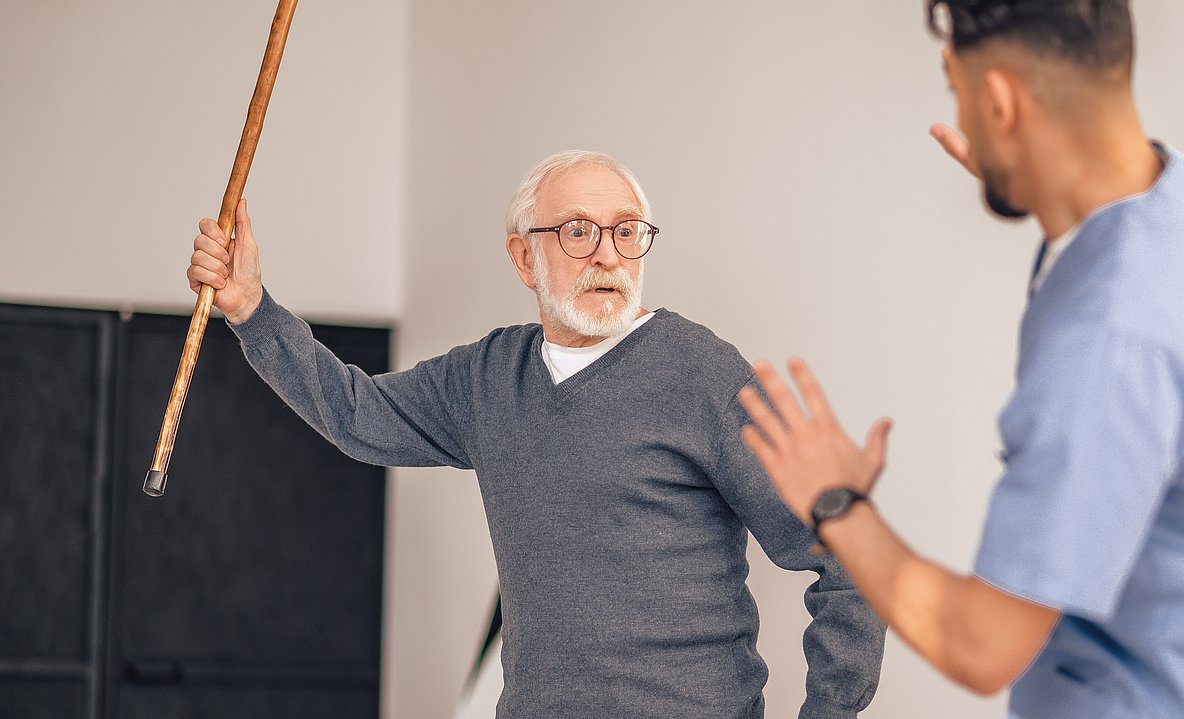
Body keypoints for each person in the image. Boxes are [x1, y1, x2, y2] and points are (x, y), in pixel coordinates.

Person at [737, 1, 1184, 717]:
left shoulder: (1115, 334)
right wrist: (1028, 166)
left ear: (1002, 104)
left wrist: (837, 505)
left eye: (961, 95)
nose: (964, 118)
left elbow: (981, 642)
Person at [185, 150, 885, 718]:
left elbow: (849, 556)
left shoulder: (703, 375)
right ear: (525, 259)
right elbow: (356, 414)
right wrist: (252, 310)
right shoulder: (487, 377)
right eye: (577, 231)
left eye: (627, 230)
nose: (608, 255)